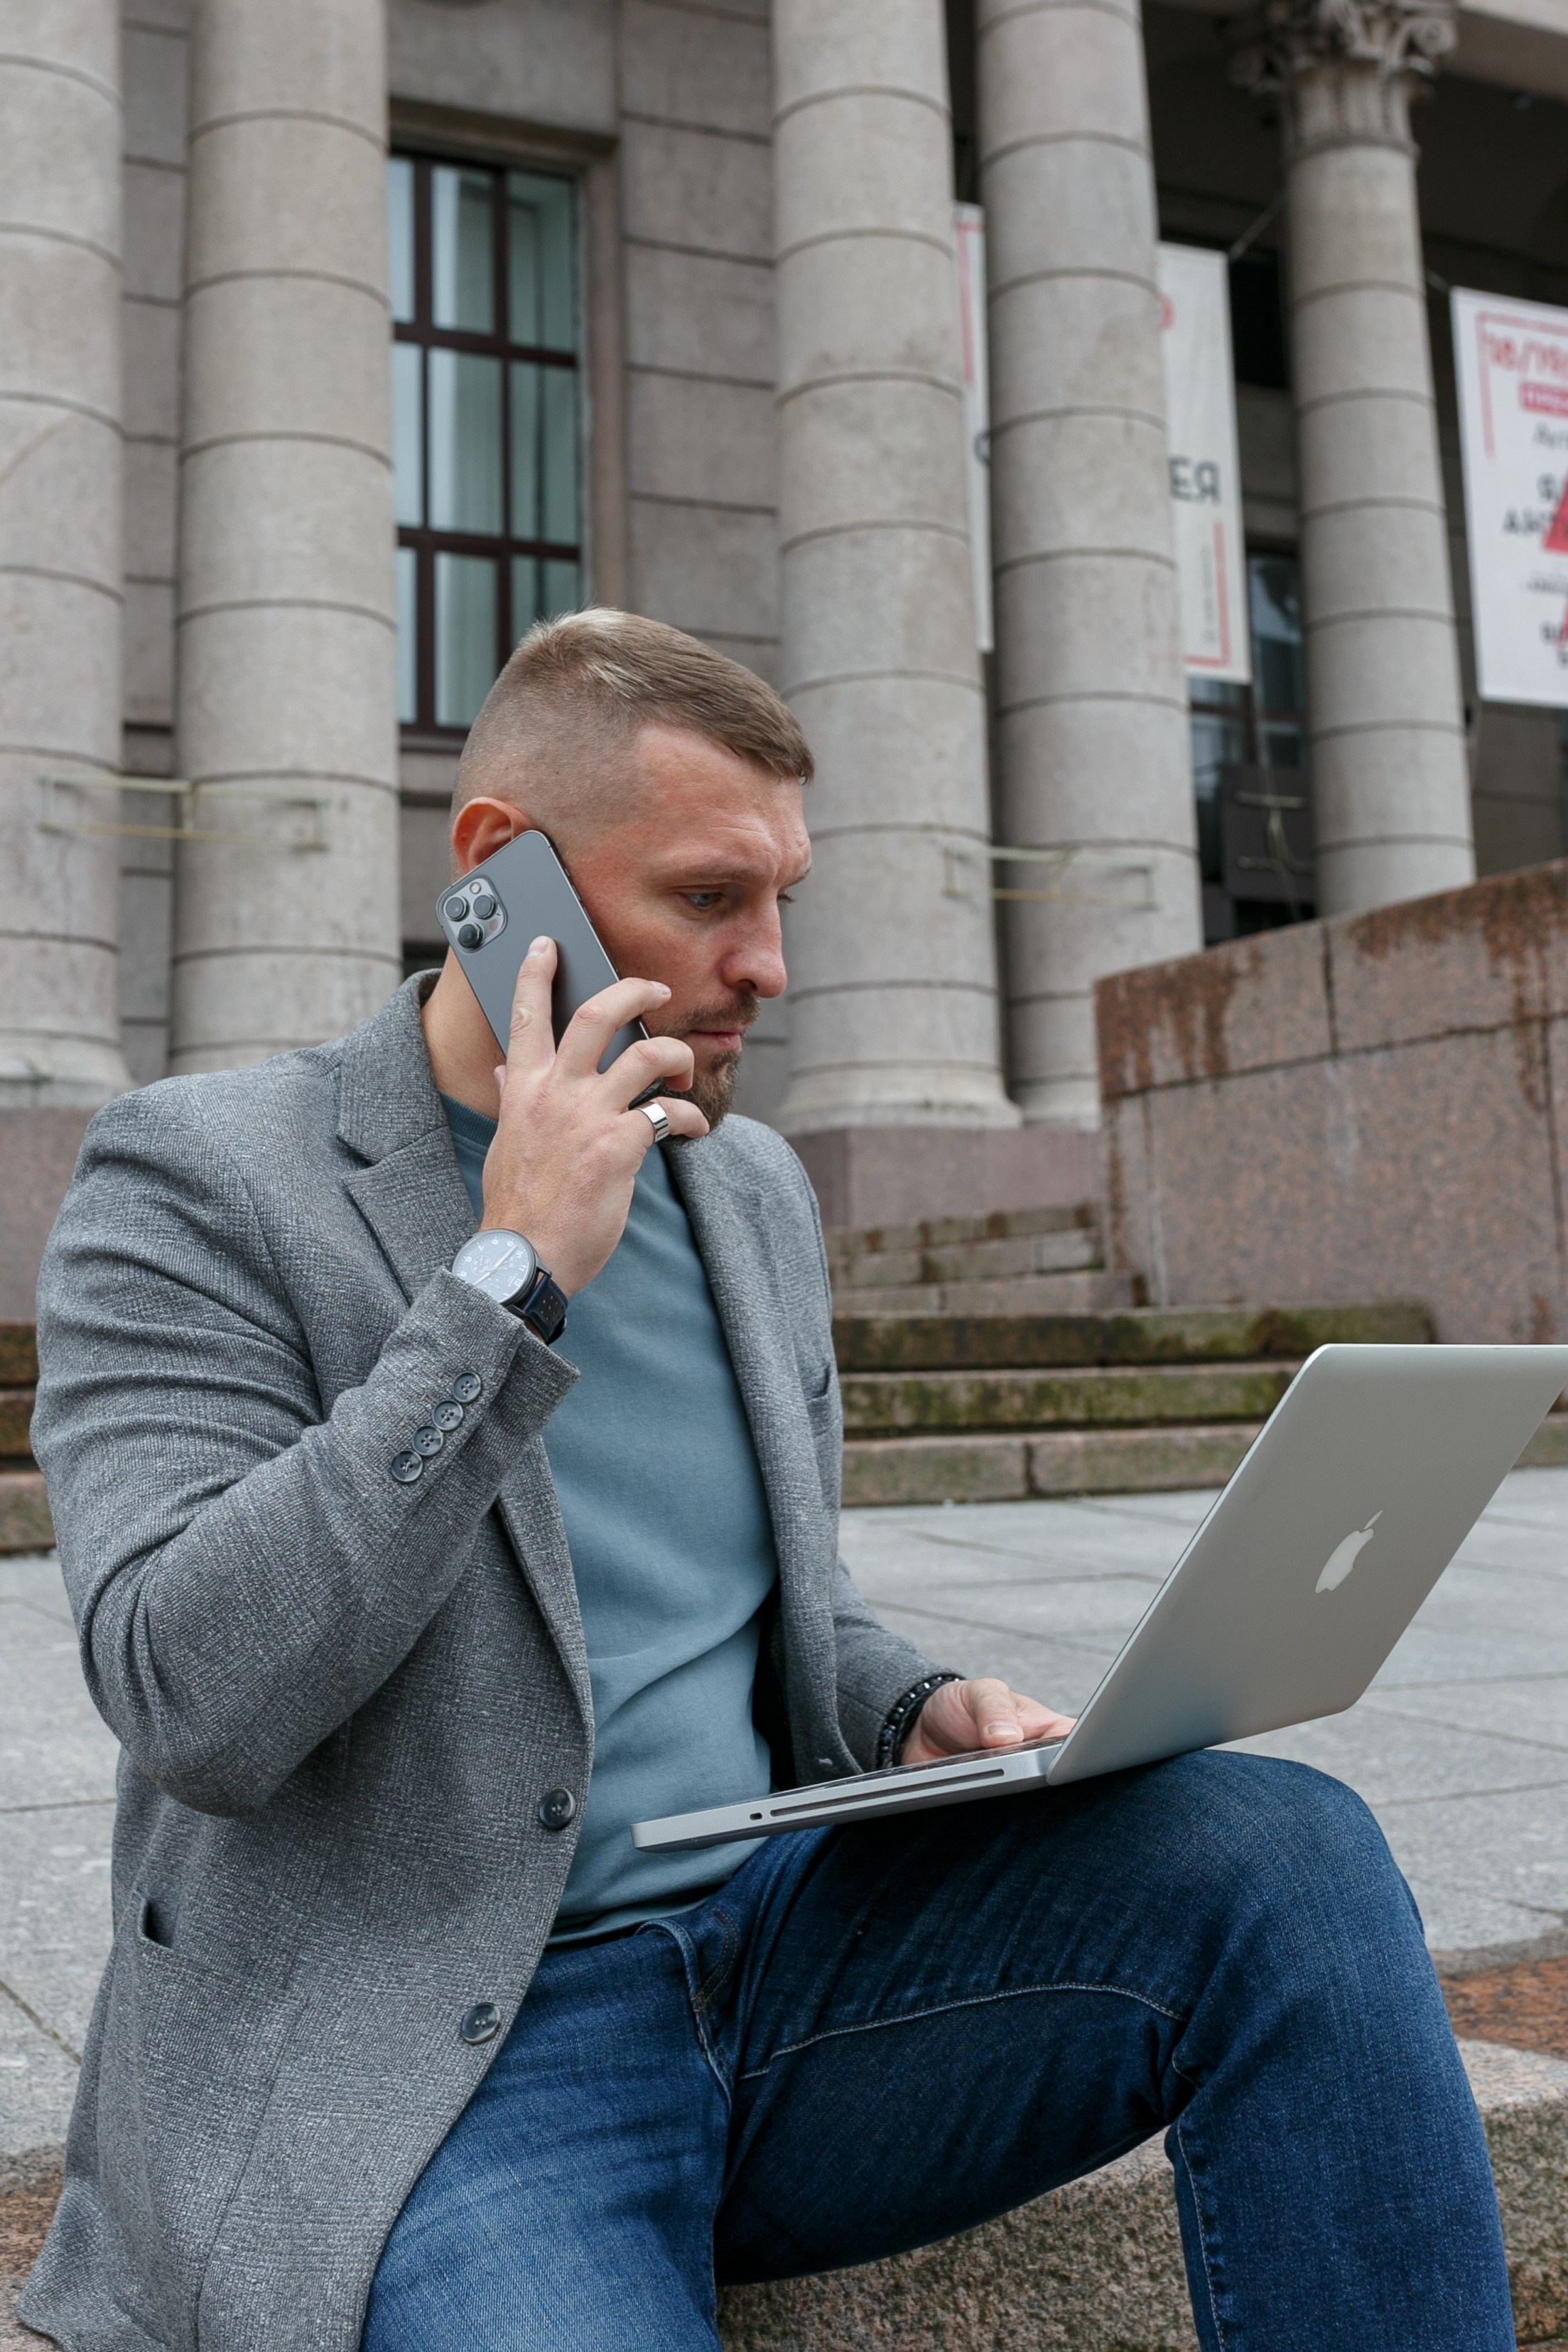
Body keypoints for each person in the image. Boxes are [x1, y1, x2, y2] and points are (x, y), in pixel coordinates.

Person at [26, 611, 1511, 2352]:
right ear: (502, 873)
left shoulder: (751, 1194)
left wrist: (908, 1705)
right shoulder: (199, 1177)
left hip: (787, 1969)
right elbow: (186, 1690)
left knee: (1290, 1855)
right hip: (445, 2058)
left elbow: (755, 1613)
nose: (774, 963)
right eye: (711, 898)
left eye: (785, 895)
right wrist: (504, 1284)